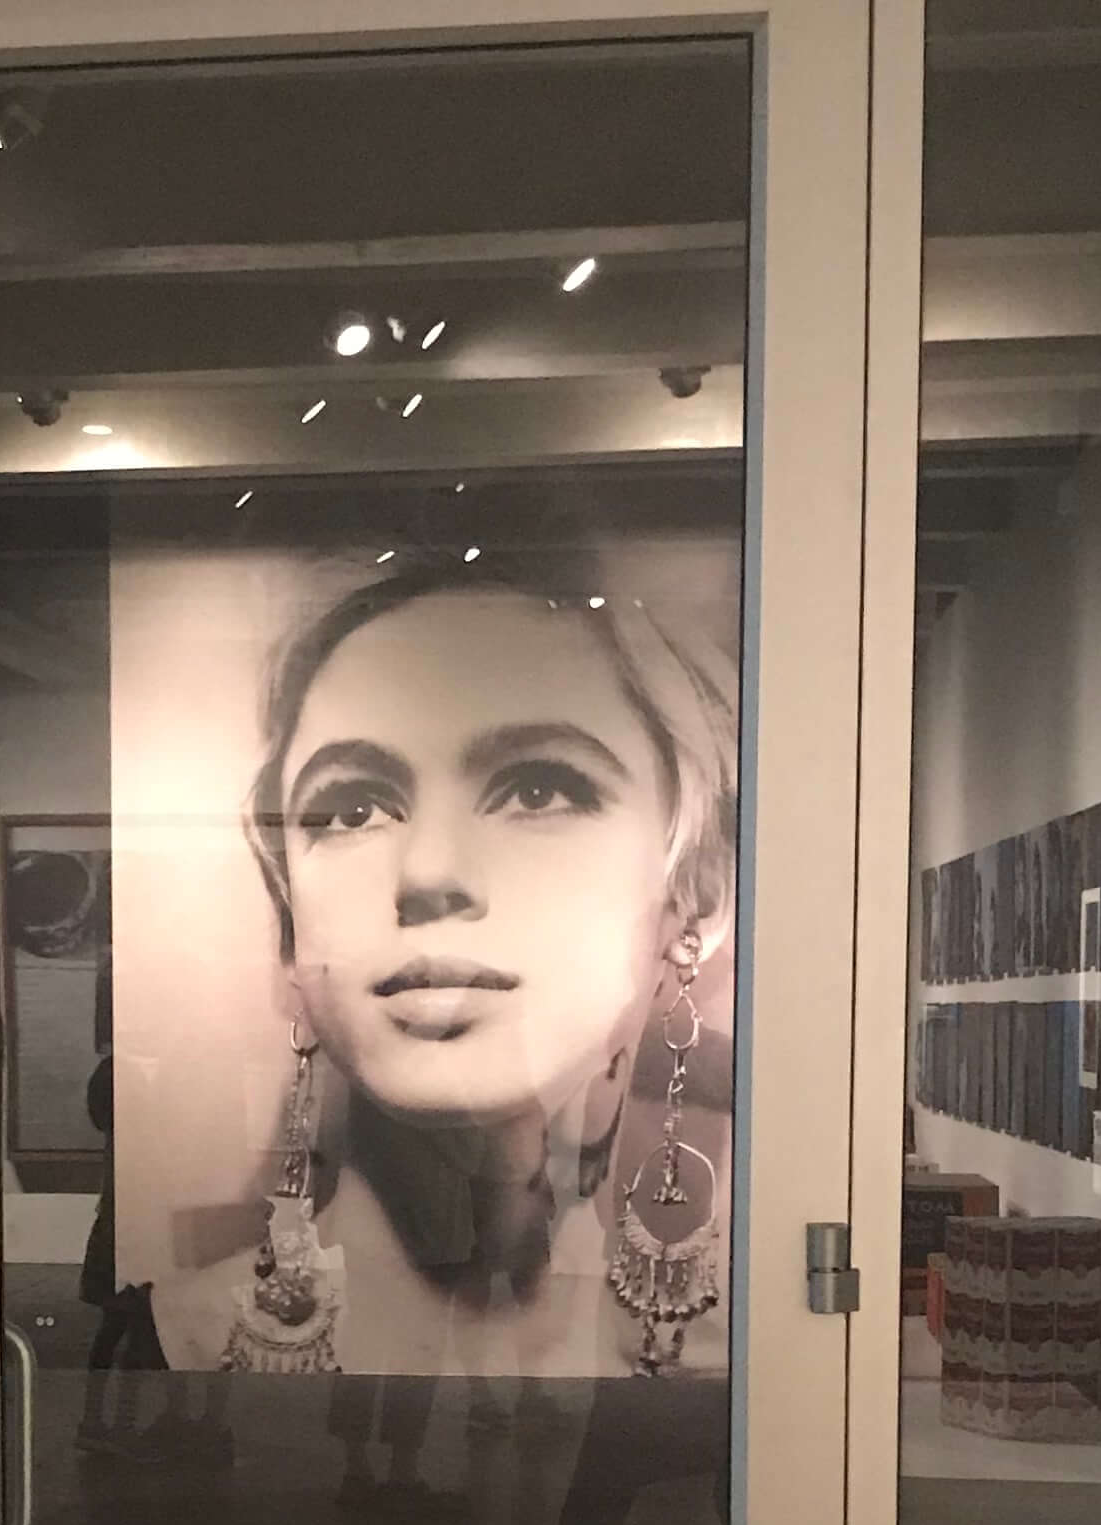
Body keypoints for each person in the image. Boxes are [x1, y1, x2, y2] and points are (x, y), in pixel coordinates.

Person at [152, 553, 735, 1382]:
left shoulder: (737, 1377)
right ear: (289, 927)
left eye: (538, 791)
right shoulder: (170, 1349)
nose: (428, 872)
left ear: (692, 896)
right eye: (352, 808)